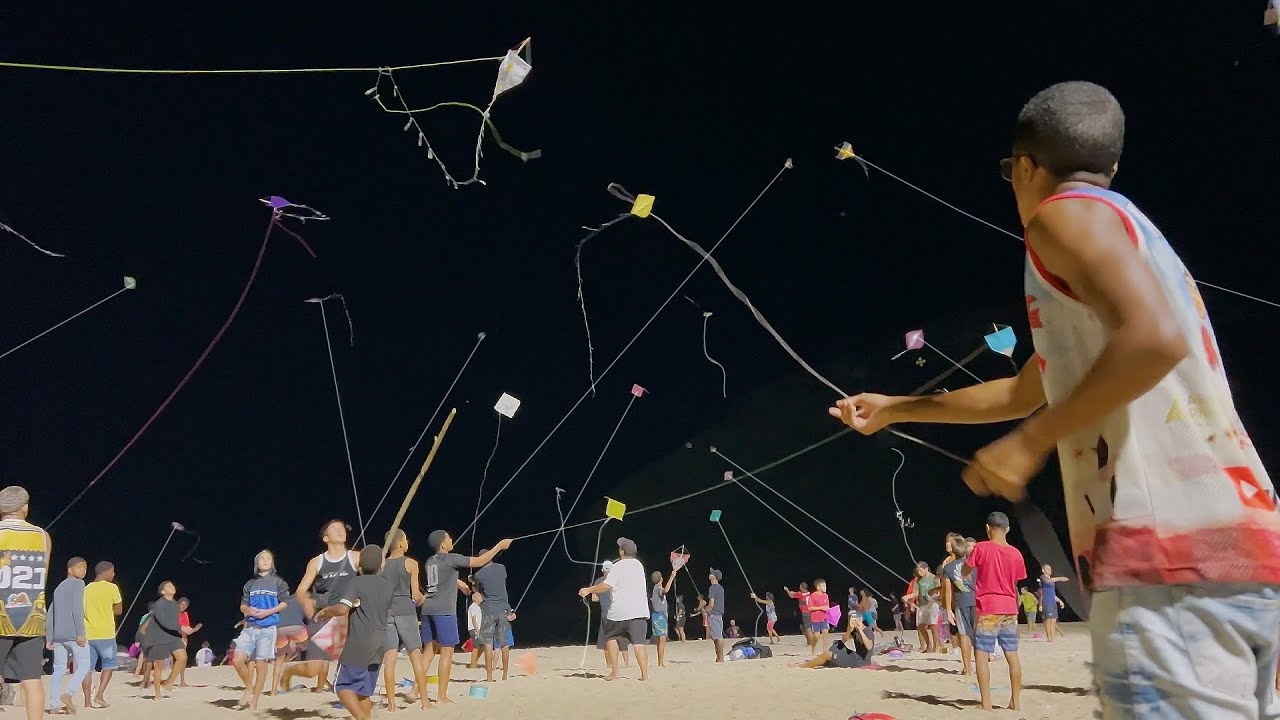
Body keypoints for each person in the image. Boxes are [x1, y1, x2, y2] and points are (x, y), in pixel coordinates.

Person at [832, 80, 1280, 718]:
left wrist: (1030, 444)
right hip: (1241, 548)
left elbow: (1154, 340)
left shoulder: (1061, 216)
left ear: (1023, 167)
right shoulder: (1137, 243)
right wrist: (898, 408)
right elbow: (1024, 389)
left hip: (1165, 558)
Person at [420, 531, 512, 703]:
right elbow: (479, 561)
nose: (451, 540)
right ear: (442, 544)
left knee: (428, 652)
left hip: (427, 609)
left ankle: (414, 690)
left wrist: (460, 584)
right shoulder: (451, 558)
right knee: (447, 653)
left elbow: (442, 578)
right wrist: (499, 546)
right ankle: (441, 697)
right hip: (443, 611)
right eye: (448, 538)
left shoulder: (430, 561)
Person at [316, 546, 392, 720]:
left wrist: (325, 611)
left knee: (342, 687)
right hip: (380, 642)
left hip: (359, 642)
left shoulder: (355, 583)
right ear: (382, 564)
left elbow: (343, 608)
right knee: (364, 691)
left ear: (359, 565)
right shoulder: (388, 586)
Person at [966, 512, 1027, 711]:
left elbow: (966, 571)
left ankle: (986, 704)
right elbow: (1016, 581)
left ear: (987, 528)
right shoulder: (1016, 553)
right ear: (1008, 529)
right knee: (1012, 655)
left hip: (988, 607)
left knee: (982, 654)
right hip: (1009, 607)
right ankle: (1015, 702)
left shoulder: (981, 548)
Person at [290, 519, 358, 694]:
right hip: (324, 612)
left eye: (342, 528)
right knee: (317, 663)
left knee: (349, 654)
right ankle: (315, 683)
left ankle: (342, 686)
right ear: (326, 538)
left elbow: (370, 578)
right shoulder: (317, 561)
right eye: (334, 529)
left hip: (348, 613)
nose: (340, 530)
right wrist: (307, 604)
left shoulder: (355, 557)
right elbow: (300, 590)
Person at [0, 486, 50, 720]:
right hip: (32, 616)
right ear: (25, 508)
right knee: (32, 680)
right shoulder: (42, 536)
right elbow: (43, 577)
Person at [578, 537, 650, 681]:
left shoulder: (618, 566)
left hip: (619, 612)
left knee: (611, 638)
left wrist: (588, 590)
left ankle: (615, 672)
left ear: (622, 551)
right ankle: (644, 675)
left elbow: (607, 585)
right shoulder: (639, 565)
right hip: (639, 611)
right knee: (639, 644)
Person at [376, 530, 428, 711]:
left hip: (386, 612)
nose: (408, 542)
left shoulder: (380, 566)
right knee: (416, 657)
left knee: (389, 660)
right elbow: (416, 595)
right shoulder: (411, 563)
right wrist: (423, 599)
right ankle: (425, 702)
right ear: (400, 543)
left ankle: (391, 705)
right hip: (406, 611)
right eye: (406, 539)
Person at [233, 550, 289, 710]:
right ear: (257, 563)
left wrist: (268, 612)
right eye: (262, 558)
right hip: (250, 627)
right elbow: (242, 604)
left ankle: (255, 700)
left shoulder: (278, 582)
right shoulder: (250, 584)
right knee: (237, 661)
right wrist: (247, 610)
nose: (265, 560)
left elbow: (285, 602)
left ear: (272, 563)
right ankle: (249, 687)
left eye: (268, 558)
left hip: (267, 628)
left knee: (260, 663)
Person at [45, 556, 89, 715]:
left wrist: (49, 636)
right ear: (70, 569)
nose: (83, 570)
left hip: (58, 635)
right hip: (73, 634)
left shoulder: (59, 587)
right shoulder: (79, 583)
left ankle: (54, 705)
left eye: (85, 568)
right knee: (84, 664)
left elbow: (51, 613)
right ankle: (68, 693)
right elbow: (77, 609)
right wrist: (81, 633)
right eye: (80, 567)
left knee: (58, 670)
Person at [81, 560, 122, 709]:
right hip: (106, 634)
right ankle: (99, 695)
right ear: (106, 572)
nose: (114, 574)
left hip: (88, 635)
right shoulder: (112, 588)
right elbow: (118, 610)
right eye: (112, 571)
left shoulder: (85, 589)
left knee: (87, 669)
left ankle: (87, 702)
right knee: (109, 665)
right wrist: (106, 610)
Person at [473, 547, 517, 682]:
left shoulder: (478, 575)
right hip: (503, 609)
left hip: (488, 610)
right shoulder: (501, 568)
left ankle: (489, 677)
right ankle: (504, 675)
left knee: (487, 643)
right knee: (504, 644)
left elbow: (478, 591)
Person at [141, 581, 190, 701]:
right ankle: (157, 693)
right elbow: (165, 621)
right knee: (159, 665)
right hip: (159, 637)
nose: (172, 587)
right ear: (163, 592)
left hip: (172, 636)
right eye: (168, 586)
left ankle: (169, 682)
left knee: (182, 657)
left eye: (173, 585)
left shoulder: (174, 604)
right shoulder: (159, 604)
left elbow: (174, 621)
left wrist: (183, 630)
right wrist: (182, 628)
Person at [942, 536, 978, 677]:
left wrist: (948, 610)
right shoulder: (974, 564)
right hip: (976, 602)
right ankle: (980, 665)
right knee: (976, 635)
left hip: (960, 603)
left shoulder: (948, 568)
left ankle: (968, 669)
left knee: (964, 635)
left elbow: (947, 590)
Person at [793, 613, 876, 670]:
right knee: (837, 644)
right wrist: (850, 629)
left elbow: (869, 647)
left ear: (860, 619)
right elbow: (844, 640)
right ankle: (822, 660)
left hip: (861, 661)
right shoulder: (855, 631)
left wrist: (860, 630)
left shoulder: (867, 631)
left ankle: (802, 666)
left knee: (827, 654)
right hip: (855, 656)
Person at [590, 561, 630, 672]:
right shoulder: (619, 580)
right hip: (620, 612)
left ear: (603, 570)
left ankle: (609, 665)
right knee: (622, 638)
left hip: (606, 613)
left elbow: (594, 598)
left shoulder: (598, 581)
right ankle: (626, 663)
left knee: (607, 639)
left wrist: (601, 598)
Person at [903, 562, 939, 653]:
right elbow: (917, 592)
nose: (919, 573)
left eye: (921, 570)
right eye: (918, 571)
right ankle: (928, 646)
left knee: (933, 626)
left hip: (932, 604)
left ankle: (936, 647)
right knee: (920, 626)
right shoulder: (918, 580)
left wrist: (933, 600)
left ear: (926, 569)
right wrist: (908, 597)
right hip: (922, 605)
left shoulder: (933, 578)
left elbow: (938, 591)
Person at [649, 569, 677, 666]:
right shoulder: (658, 588)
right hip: (660, 616)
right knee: (662, 639)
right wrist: (672, 577)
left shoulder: (654, 588)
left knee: (659, 640)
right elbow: (666, 590)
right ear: (661, 579)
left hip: (656, 615)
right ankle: (660, 663)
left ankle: (660, 661)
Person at [1037, 564, 1068, 641]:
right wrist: (1060, 578)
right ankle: (1049, 637)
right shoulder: (1043, 578)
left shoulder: (1052, 581)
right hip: (1047, 602)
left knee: (1054, 620)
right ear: (1043, 570)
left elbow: (1053, 594)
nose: (1050, 570)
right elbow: (1046, 585)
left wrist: (1060, 601)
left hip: (1052, 602)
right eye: (1047, 569)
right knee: (1048, 620)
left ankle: (1052, 637)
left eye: (1050, 568)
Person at [175, 597, 202, 687]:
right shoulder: (173, 613)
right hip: (172, 638)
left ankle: (182, 681)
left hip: (182, 639)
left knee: (183, 659)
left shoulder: (185, 614)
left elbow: (187, 629)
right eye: (182, 604)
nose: (183, 606)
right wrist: (193, 629)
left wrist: (194, 629)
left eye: (185, 605)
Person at [806, 578, 832, 656]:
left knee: (825, 634)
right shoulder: (813, 595)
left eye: (825, 585)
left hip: (824, 617)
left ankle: (825, 651)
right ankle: (813, 649)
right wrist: (820, 608)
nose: (825, 587)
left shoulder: (825, 595)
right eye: (824, 585)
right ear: (818, 587)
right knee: (816, 635)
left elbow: (827, 606)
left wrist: (828, 609)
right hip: (815, 618)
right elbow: (809, 608)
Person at [783, 582, 812, 646]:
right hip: (809, 612)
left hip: (805, 613)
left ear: (801, 587)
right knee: (803, 627)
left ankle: (811, 643)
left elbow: (791, 595)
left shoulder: (800, 594)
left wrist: (787, 590)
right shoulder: (809, 593)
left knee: (807, 628)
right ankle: (809, 642)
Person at [707, 569, 726, 662]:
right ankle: (718, 657)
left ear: (715, 577)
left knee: (718, 637)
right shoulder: (721, 588)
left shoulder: (712, 588)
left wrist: (707, 610)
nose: (710, 574)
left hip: (714, 614)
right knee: (716, 636)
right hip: (719, 614)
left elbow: (711, 603)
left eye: (712, 573)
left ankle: (721, 657)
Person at [465, 592, 484, 669]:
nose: (481, 597)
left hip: (477, 629)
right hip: (474, 629)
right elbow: (474, 620)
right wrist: (477, 630)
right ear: (475, 598)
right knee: (476, 647)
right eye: (479, 596)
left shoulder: (477, 607)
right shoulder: (474, 607)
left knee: (482, 646)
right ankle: (473, 665)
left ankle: (474, 661)